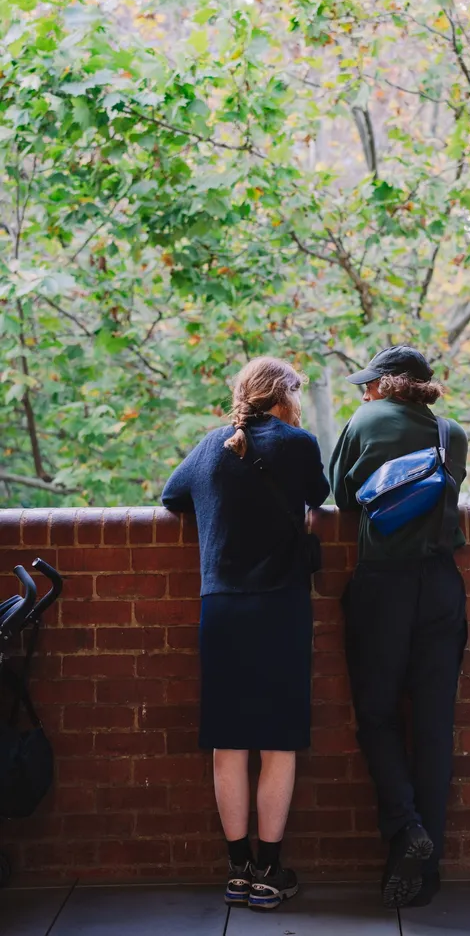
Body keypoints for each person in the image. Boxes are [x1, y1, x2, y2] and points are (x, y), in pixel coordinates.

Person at [161, 357, 330, 911]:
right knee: (278, 742)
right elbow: (319, 494)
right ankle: (269, 872)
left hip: (223, 609)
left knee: (228, 742)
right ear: (285, 397)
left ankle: (236, 871)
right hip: (280, 607)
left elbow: (171, 497)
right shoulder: (297, 443)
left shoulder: (210, 445)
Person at [329, 345, 468, 910]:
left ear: (388, 385)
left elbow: (342, 498)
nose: (364, 391)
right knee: (434, 727)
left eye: (369, 383)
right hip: (442, 587)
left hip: (383, 585)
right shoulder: (452, 433)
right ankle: (423, 874)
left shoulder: (365, 421)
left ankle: (405, 828)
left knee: (378, 715)